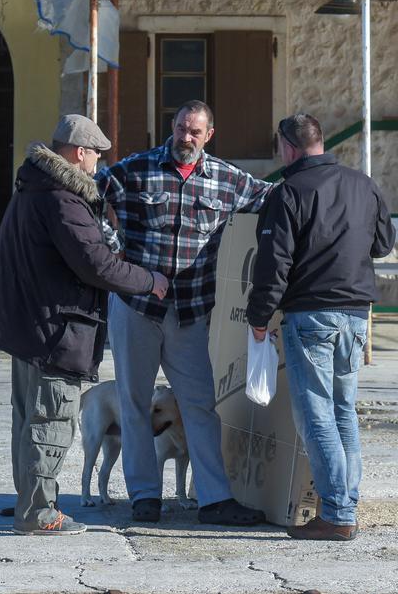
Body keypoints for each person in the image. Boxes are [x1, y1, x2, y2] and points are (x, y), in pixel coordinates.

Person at [0, 115, 168, 536]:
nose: (98, 162)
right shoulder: (62, 199)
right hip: (54, 328)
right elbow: (95, 263)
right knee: (51, 421)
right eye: (96, 154)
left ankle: (31, 502)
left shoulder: (33, 187)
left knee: (28, 419)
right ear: (80, 153)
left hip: (28, 325)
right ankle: (39, 514)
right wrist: (150, 281)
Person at [97, 100, 273, 526]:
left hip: (190, 313)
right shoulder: (135, 169)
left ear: (209, 135)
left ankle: (213, 500)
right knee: (134, 401)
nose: (185, 138)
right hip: (136, 307)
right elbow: (88, 199)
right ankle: (144, 497)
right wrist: (115, 253)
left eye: (194, 132)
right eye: (180, 129)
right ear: (171, 128)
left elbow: (274, 199)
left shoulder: (228, 180)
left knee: (200, 405)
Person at [246, 114, 396, 541]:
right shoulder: (362, 184)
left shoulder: (288, 192)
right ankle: (345, 504)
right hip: (356, 313)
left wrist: (259, 318)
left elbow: (272, 266)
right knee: (343, 411)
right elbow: (384, 244)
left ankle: (337, 513)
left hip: (312, 315)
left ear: (288, 147)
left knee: (316, 417)